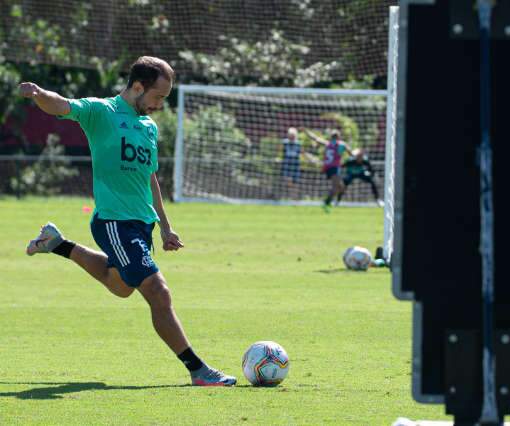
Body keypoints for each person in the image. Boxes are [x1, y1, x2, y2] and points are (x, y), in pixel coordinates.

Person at [19, 56, 236, 387]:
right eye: (158, 96)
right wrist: (37, 94)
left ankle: (57, 244)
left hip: (141, 225)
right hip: (113, 222)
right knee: (157, 290)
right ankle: (198, 370)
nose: (160, 104)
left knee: (120, 286)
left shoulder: (148, 126)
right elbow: (62, 105)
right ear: (138, 86)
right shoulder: (101, 112)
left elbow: (150, 177)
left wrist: (164, 225)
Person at [301, 127, 352, 212]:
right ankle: (326, 203)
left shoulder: (327, 143)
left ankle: (333, 202)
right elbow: (351, 153)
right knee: (336, 187)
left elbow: (316, 138)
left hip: (327, 167)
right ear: (338, 137)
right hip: (334, 167)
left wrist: (307, 132)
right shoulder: (341, 144)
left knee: (341, 187)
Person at [280, 127, 303, 199]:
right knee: (287, 179)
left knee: (295, 181)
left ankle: (294, 197)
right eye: (290, 135)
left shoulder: (298, 143)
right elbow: (282, 152)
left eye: (293, 135)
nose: (292, 136)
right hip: (287, 163)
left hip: (295, 163)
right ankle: (289, 195)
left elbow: (301, 152)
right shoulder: (285, 142)